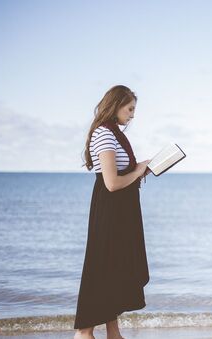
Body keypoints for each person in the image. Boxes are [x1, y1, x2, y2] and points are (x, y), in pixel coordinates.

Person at [74, 85, 152, 339]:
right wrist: (138, 170)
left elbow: (121, 175)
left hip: (120, 213)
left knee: (114, 270)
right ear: (116, 105)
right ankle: (85, 333)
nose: (132, 115)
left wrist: (141, 169)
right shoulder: (104, 134)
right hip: (110, 213)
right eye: (130, 109)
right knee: (101, 268)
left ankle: (113, 333)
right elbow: (112, 183)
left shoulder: (113, 133)